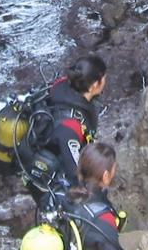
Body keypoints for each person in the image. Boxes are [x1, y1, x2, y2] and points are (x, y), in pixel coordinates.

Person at [45, 54, 107, 187]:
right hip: (52, 164)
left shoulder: (64, 85)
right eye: (104, 79)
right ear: (95, 85)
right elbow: (75, 171)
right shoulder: (71, 127)